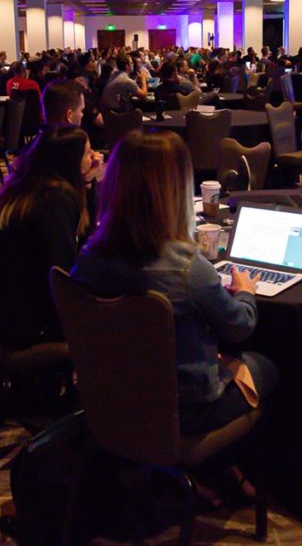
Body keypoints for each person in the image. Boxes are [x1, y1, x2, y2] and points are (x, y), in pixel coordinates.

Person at [70, 130, 278, 450]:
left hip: (111, 399)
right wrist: (246, 291)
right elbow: (240, 326)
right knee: (267, 367)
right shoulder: (187, 269)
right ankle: (222, 469)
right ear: (176, 188)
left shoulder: (87, 258)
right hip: (186, 410)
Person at [0, 125, 96, 353]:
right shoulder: (54, 200)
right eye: (88, 153)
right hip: (29, 326)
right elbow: (63, 273)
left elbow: (80, 239)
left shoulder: (27, 187)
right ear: (70, 161)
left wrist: (89, 187)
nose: (94, 157)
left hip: (5, 311)